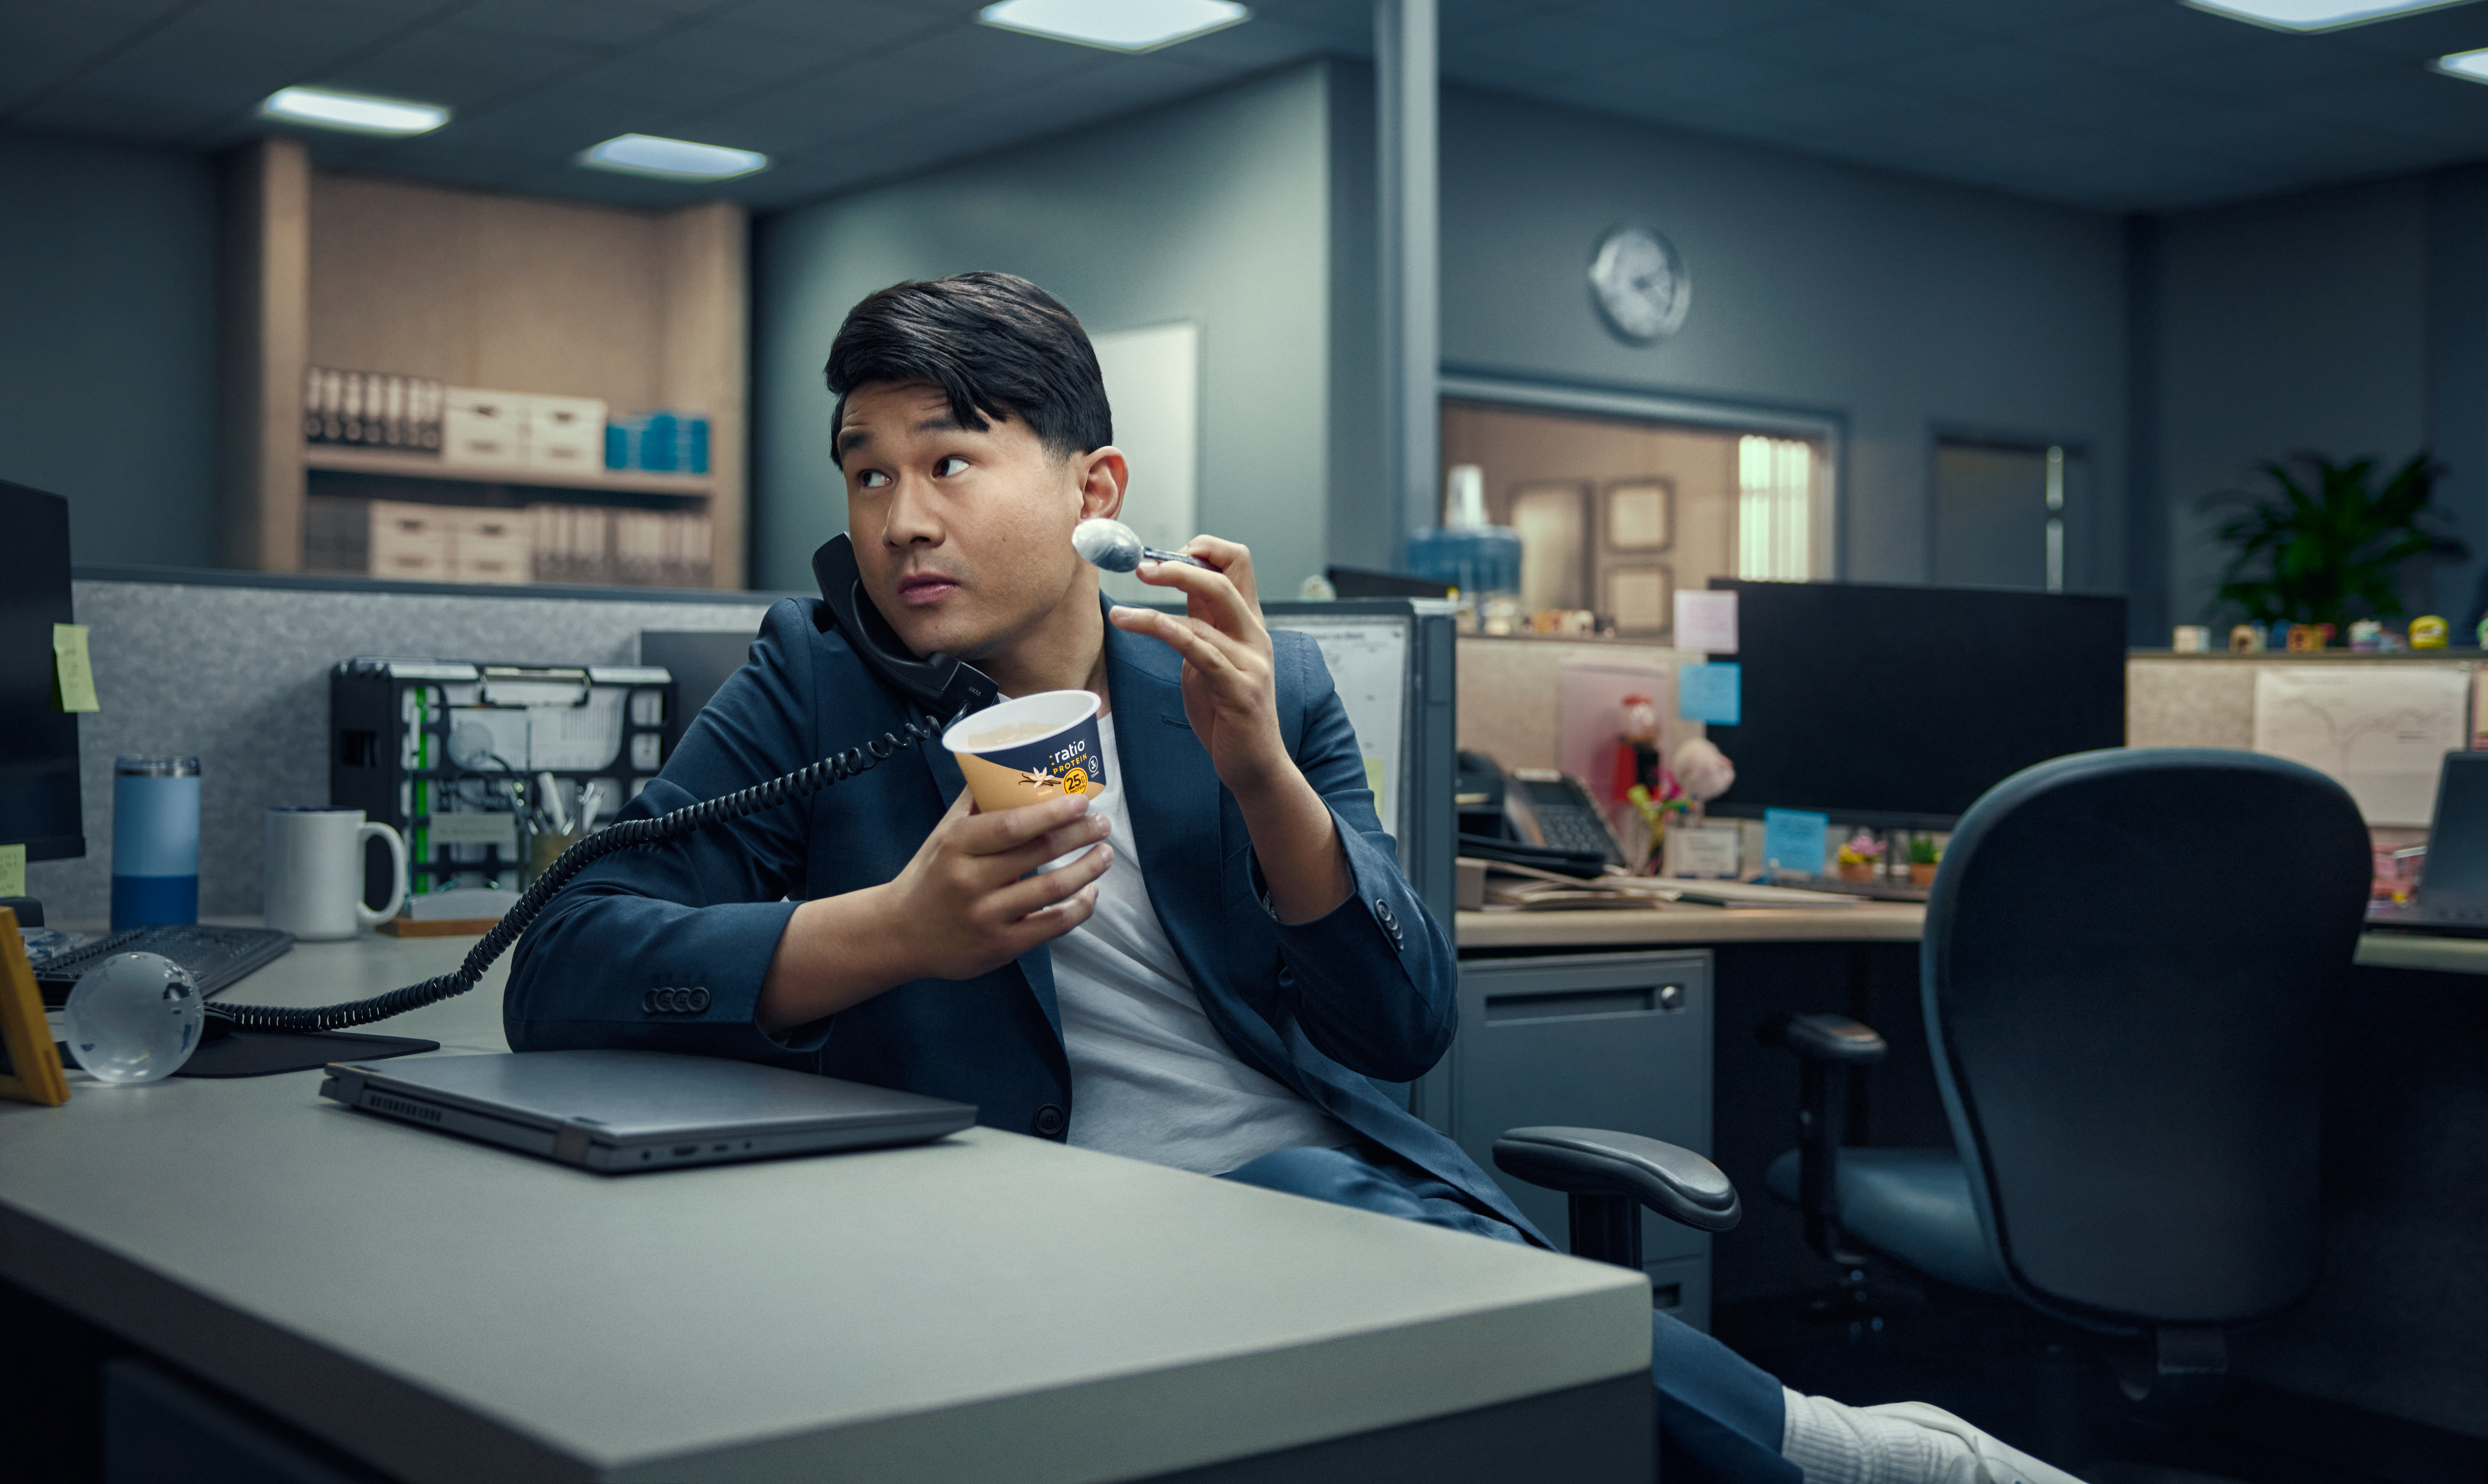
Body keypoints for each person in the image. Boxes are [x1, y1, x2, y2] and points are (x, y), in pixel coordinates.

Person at [505, 272, 2079, 1484]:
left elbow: (1402, 1023)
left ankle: (1829, 1449)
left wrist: (1260, 769)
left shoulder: (1260, 678)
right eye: (863, 474)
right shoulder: (816, 682)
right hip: (1004, 1210)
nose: (901, 516)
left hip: (1276, 1170)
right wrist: (889, 929)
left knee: (1386, 1246)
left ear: (1091, 487)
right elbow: (565, 961)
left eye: (951, 460)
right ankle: (1821, 1450)